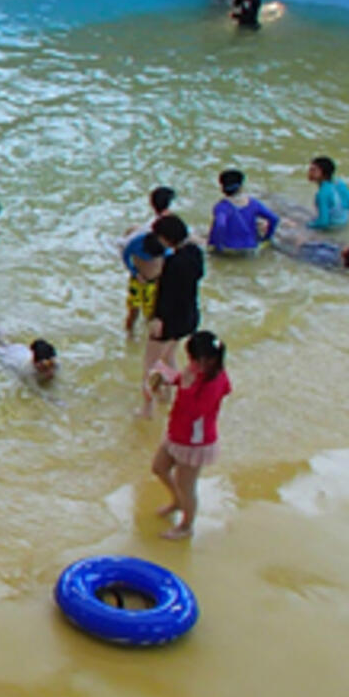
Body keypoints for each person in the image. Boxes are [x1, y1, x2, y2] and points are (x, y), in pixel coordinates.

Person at [150, 331, 230, 540]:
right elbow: (182, 378)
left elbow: (197, 410)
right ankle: (177, 501)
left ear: (206, 360)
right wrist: (169, 377)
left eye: (193, 359)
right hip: (177, 432)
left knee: (187, 485)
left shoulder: (213, 382)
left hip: (195, 442)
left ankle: (187, 525)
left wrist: (185, 386)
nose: (190, 363)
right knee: (159, 467)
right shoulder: (198, 370)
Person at [141, 214, 204, 416]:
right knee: (169, 356)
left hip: (168, 321)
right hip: (189, 317)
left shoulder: (172, 263)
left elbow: (166, 295)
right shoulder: (195, 253)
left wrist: (157, 318)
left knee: (150, 365)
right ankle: (170, 396)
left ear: (166, 238)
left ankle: (148, 408)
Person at [122, 186, 177, 336]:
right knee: (149, 315)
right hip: (150, 282)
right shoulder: (163, 241)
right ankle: (137, 337)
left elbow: (124, 252)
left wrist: (134, 271)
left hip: (141, 280)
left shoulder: (138, 237)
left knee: (138, 313)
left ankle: (130, 337)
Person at [208, 169, 278, 254]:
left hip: (229, 250)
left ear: (222, 189)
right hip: (250, 247)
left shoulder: (221, 207)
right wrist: (266, 238)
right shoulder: (253, 203)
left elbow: (220, 226)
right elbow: (274, 218)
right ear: (241, 187)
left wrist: (218, 247)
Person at [270, 219, 349, 273]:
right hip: (305, 246)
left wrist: (300, 243)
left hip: (299, 249)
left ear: (347, 254)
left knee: (275, 237)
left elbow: (304, 253)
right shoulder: (336, 256)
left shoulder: (328, 258)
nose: (348, 246)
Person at [308, 155, 349, 229]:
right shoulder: (339, 182)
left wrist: (307, 225)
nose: (309, 172)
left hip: (333, 228)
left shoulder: (322, 194)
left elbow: (323, 223)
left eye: (313, 170)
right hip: (345, 222)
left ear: (323, 173)